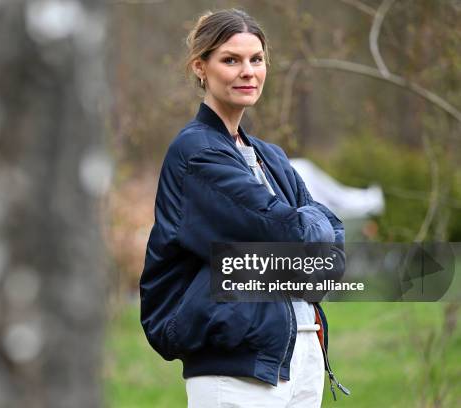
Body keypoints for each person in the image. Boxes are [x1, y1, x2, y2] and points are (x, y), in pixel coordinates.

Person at [139, 8, 350, 408]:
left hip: (302, 350)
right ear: (201, 67)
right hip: (237, 361)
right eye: (231, 60)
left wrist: (307, 233)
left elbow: (331, 244)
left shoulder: (270, 157)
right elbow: (289, 234)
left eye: (256, 59)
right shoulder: (196, 154)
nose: (247, 71)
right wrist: (305, 231)